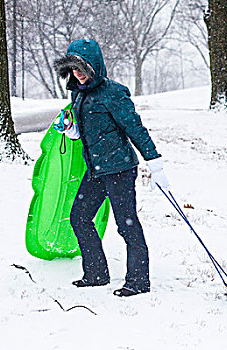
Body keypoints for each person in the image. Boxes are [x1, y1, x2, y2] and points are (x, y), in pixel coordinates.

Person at [53, 38, 169, 297]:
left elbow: (135, 129)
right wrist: (71, 129)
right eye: (73, 69)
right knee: (79, 217)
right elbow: (85, 130)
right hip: (96, 169)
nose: (78, 74)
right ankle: (96, 274)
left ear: (95, 66)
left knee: (126, 225)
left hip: (119, 169)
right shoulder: (78, 94)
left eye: (82, 68)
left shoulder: (114, 93)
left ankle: (138, 281)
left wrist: (155, 164)